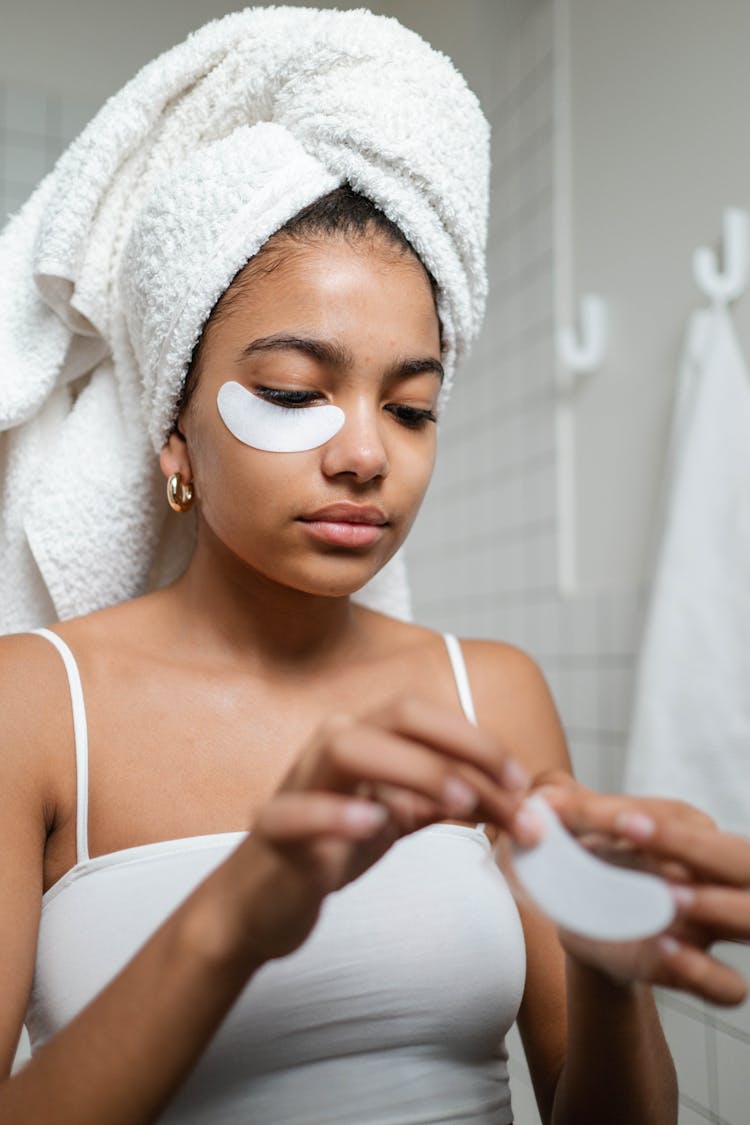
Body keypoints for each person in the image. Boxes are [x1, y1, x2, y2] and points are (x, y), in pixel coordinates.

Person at [0, 7, 744, 1124]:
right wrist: (233, 916)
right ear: (176, 436)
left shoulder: (488, 694)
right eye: (295, 394)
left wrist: (605, 976)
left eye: (410, 407)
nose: (364, 454)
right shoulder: (35, 704)